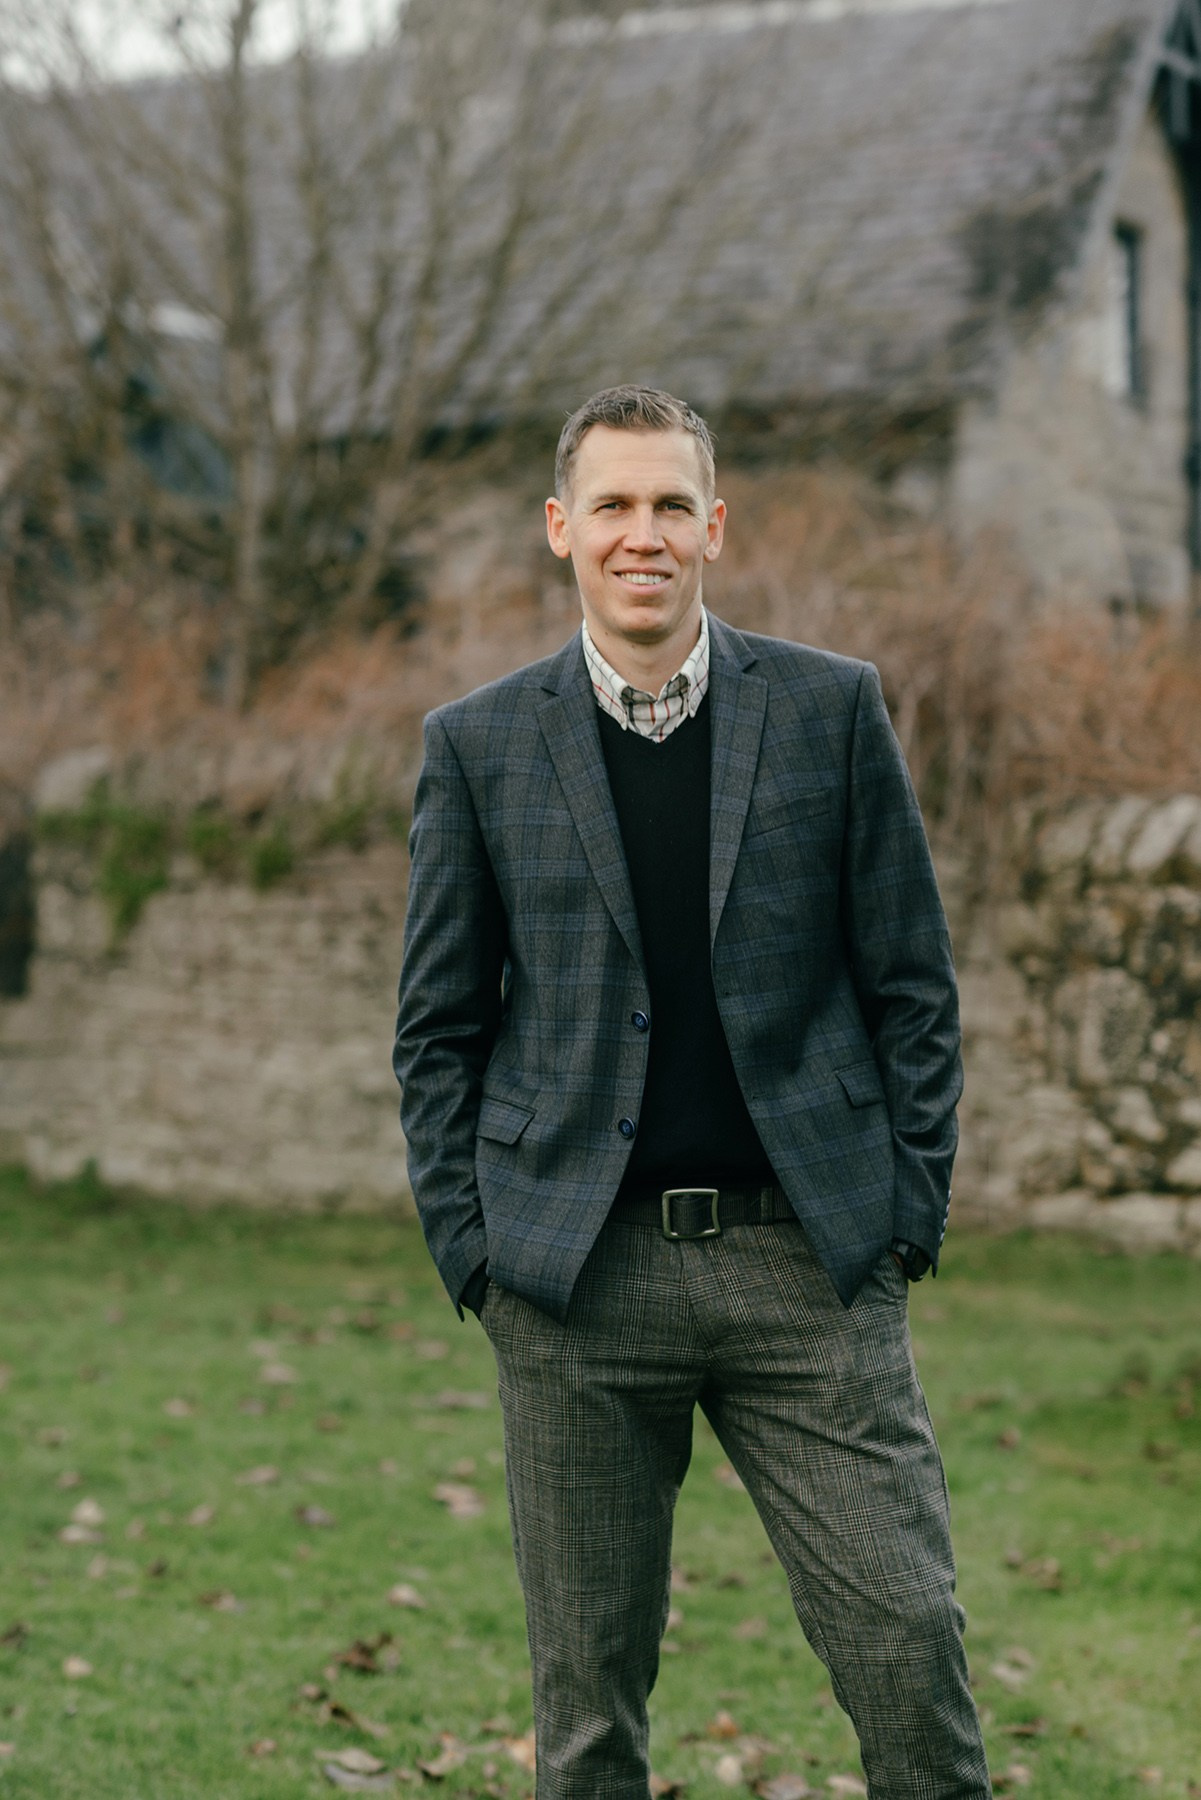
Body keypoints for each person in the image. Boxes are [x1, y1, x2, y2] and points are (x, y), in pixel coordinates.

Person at [393, 385, 992, 1800]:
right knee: (587, 1709)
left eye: (670, 506)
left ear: (713, 527)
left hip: (810, 1268)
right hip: (574, 1282)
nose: (641, 535)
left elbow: (910, 980)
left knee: (907, 1653)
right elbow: (435, 1028)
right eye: (611, 506)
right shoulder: (477, 746)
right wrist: (475, 1252)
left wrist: (905, 1211)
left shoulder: (830, 711)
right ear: (560, 530)